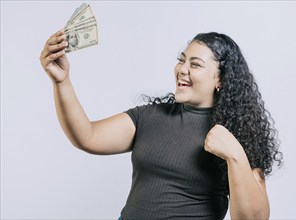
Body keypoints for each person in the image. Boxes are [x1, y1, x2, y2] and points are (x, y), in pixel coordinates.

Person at [40, 30, 283, 220]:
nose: (182, 70)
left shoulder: (236, 135)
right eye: (181, 60)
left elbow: (254, 218)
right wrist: (62, 82)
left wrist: (235, 155)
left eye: (195, 64)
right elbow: (87, 136)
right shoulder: (150, 117)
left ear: (220, 79)